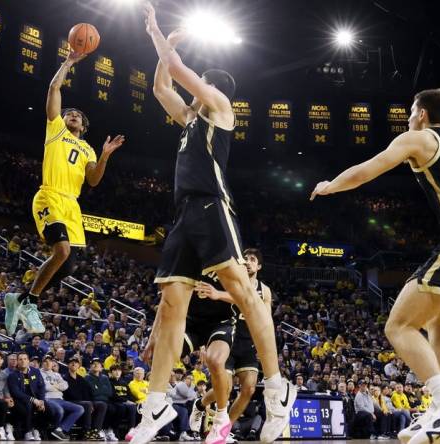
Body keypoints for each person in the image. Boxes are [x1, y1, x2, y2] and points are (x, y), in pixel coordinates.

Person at [311, 88, 440, 444]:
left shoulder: (419, 138)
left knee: (399, 325)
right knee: (437, 319)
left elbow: (369, 169)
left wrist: (330, 186)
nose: (407, 118)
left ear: (421, 113)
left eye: (409, 112)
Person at [134, 5, 295, 444]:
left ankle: (278, 388)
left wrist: (156, 32)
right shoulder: (189, 122)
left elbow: (175, 69)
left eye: (198, 87)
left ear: (208, 89)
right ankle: (155, 404)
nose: (190, 94)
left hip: (211, 207)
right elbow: (160, 84)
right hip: (183, 214)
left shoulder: (221, 108)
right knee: (170, 305)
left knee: (242, 291)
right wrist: (167, 50)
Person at [4, 46, 125, 335]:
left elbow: (93, 180)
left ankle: (19, 299)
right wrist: (69, 62)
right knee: (61, 250)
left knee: (69, 266)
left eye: (77, 117)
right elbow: (54, 87)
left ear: (84, 126)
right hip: (49, 195)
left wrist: (106, 155)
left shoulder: (88, 148)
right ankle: (30, 302)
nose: (71, 116)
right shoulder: (55, 129)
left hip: (72, 204)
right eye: (69, 113)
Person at [190, 248, 273, 438]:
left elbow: (266, 321)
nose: (248, 261)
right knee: (225, 389)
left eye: (253, 259)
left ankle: (224, 431)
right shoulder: (230, 281)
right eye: (246, 258)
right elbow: (211, 312)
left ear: (259, 266)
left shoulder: (265, 290)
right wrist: (204, 343)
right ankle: (200, 404)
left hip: (249, 342)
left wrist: (264, 347)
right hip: (228, 337)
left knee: (249, 388)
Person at [7, 353, 50, 441]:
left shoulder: (36, 371)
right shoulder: (12, 375)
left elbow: (41, 387)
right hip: (19, 400)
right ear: (17, 362)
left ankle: (37, 429)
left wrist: (41, 400)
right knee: (28, 406)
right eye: (20, 359)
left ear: (28, 361)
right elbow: (16, 392)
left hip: (35, 399)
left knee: (47, 407)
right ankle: (28, 431)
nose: (23, 361)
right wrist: (33, 399)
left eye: (25, 359)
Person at [41, 353, 83, 441]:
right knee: (60, 410)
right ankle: (54, 430)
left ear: (53, 363)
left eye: (50, 361)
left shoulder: (57, 374)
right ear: (42, 363)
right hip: (48, 399)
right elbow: (45, 387)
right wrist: (57, 386)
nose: (48, 363)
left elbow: (65, 386)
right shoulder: (39, 373)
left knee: (79, 409)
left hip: (60, 399)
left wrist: (53, 386)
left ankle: (59, 430)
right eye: (45, 361)